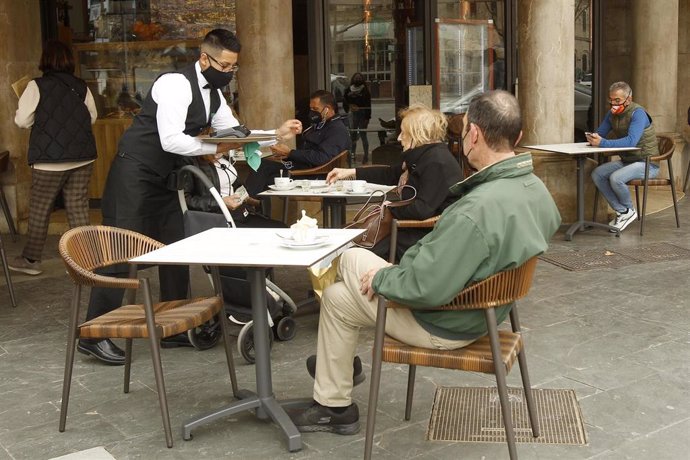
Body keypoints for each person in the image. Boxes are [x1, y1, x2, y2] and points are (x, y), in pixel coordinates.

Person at [288, 90, 561, 435]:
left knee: (347, 254)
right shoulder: (534, 188)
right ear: (517, 137)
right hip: (485, 312)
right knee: (340, 298)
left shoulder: (477, 210)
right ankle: (334, 405)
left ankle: (330, 365)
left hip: (445, 322)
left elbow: (425, 288)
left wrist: (382, 279)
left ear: (473, 134)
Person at [79, 29, 302, 365]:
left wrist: (275, 135)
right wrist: (213, 148)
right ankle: (94, 334)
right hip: (135, 176)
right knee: (119, 253)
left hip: (167, 179)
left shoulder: (214, 95)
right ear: (204, 57)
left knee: (176, 249)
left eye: (232, 68)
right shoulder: (174, 85)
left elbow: (236, 134)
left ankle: (172, 328)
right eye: (224, 66)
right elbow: (171, 141)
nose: (228, 73)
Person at [326, 103, 462, 262]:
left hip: (422, 240)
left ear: (417, 135)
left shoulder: (436, 162)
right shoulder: (426, 157)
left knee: (352, 251)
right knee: (351, 241)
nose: (399, 138)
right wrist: (351, 172)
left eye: (403, 133)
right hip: (409, 231)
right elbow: (390, 173)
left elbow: (421, 209)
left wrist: (390, 207)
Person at [9, 40, 98, 276]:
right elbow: (92, 117)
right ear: (69, 60)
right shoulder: (81, 86)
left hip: (49, 161)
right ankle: (86, 260)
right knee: (78, 208)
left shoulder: (36, 86)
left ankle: (30, 260)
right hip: (82, 157)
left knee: (40, 209)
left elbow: (22, 121)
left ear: (45, 60)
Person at [245, 90, 350, 197]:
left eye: (315, 109)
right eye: (311, 109)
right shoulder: (320, 125)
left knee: (264, 174)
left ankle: (246, 205)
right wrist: (285, 156)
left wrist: (290, 153)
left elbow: (322, 158)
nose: (312, 113)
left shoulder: (337, 130)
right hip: (302, 167)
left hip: (313, 174)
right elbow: (308, 152)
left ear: (327, 109)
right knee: (261, 164)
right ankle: (251, 205)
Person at [587, 81, 658, 233]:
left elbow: (631, 141)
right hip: (628, 161)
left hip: (647, 163)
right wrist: (594, 138)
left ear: (628, 100)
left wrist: (603, 143)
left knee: (616, 178)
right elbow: (601, 133)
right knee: (597, 173)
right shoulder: (612, 113)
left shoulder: (637, 113)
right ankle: (622, 211)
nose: (613, 103)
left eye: (617, 100)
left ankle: (629, 210)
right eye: (611, 100)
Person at [343, 72, 372, 163]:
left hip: (362, 114)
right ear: (353, 79)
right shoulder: (348, 90)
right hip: (352, 114)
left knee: (363, 135)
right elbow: (345, 102)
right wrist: (349, 107)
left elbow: (368, 105)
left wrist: (367, 117)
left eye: (359, 78)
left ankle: (366, 155)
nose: (358, 79)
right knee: (353, 136)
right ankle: (352, 155)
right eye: (356, 77)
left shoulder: (365, 90)